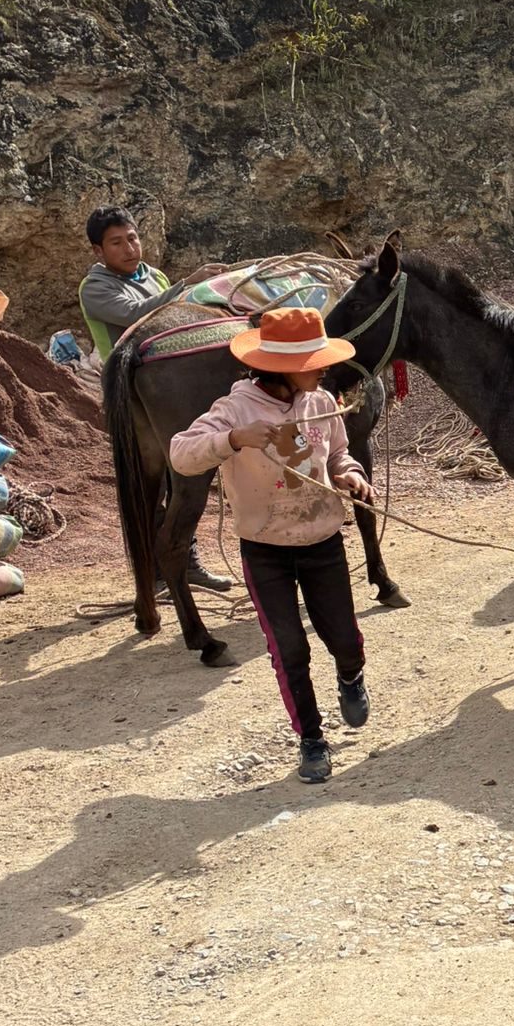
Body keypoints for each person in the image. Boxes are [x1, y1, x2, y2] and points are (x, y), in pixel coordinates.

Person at [169, 306, 377, 786]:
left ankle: (351, 676)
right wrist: (232, 439)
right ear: (278, 366)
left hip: (323, 540)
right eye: (313, 360)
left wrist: (349, 475)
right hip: (265, 549)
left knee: (344, 637)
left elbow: (339, 451)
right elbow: (181, 454)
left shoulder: (322, 400)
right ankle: (311, 740)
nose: (323, 368)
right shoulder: (235, 409)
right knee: (289, 649)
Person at [80, 204, 233, 592]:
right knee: (147, 482)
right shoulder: (94, 287)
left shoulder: (154, 275)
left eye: (132, 238)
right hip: (130, 394)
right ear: (98, 251)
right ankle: (154, 572)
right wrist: (186, 284)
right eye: (116, 243)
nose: (129, 248)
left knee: (180, 474)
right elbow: (141, 313)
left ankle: (186, 562)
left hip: (170, 387)